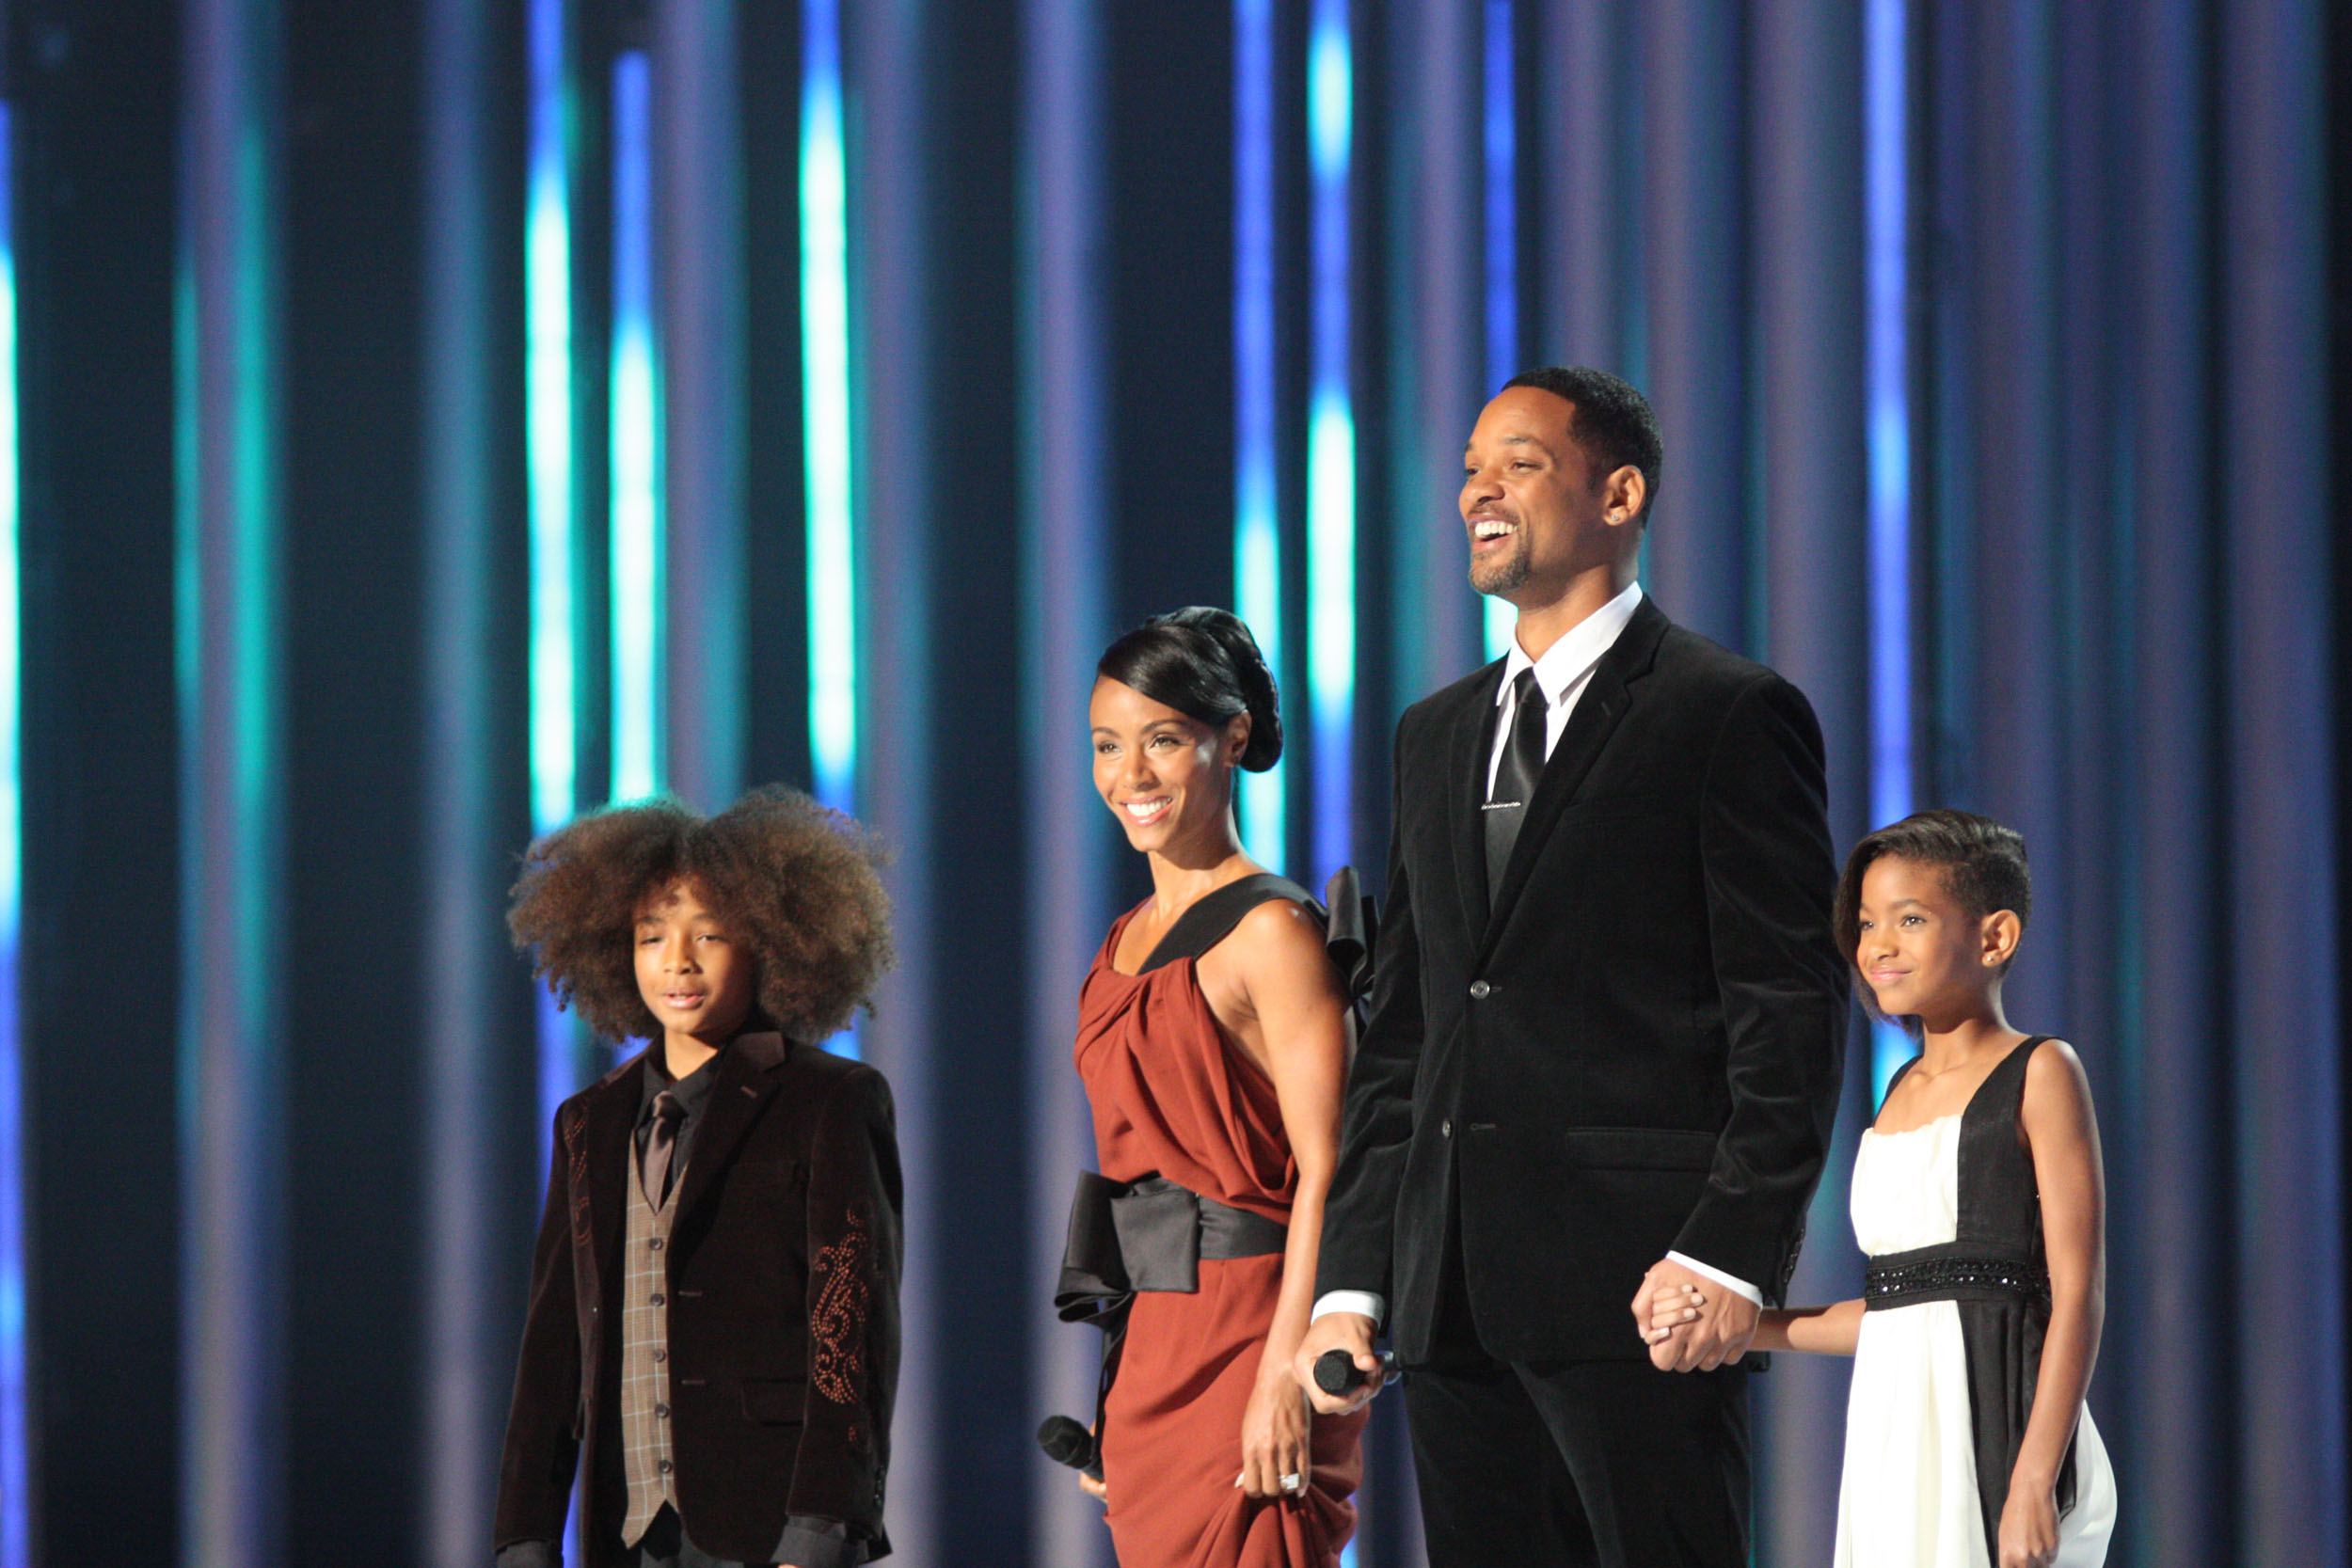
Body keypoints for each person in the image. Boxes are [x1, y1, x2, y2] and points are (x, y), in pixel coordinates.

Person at [1293, 367, 1847, 1566]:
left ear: (1619, 493)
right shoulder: (1434, 732)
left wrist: (1726, 1248)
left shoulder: (1724, 710)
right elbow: (1409, 1030)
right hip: (1448, 1296)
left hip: (1642, 1288)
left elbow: (1787, 1012)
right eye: (1469, 469)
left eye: (1519, 462)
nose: (1476, 491)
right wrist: (1353, 1280)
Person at [1646, 810, 2117, 1566]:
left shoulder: (2041, 1071)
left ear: (1995, 936)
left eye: (1910, 919)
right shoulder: (1897, 1092)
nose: (1879, 945)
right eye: (1867, 923)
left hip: (1998, 1431)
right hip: (1895, 1442)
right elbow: (1900, 1312)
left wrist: (2033, 1477)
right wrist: (1737, 1324)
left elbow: (2077, 1292)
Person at [493, 787, 902, 1568]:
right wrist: (524, 1535)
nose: (676, 960)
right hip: (627, 1533)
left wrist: (822, 1529)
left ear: (770, 942)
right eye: (651, 935)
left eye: (709, 934)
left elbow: (853, 1330)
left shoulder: (831, 1100)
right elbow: (552, 1348)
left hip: (773, 1528)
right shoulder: (587, 1121)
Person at [1066, 607, 1369, 1567]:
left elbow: (1331, 1168)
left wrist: (1287, 1366)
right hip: (1154, 1346)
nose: (1130, 775)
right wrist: (1113, 1384)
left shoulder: (1272, 931)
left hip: (1257, 1325)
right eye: (1107, 745)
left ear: (1231, 738)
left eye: (1162, 740)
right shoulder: (1118, 944)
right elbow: (1139, 1190)